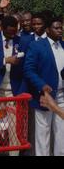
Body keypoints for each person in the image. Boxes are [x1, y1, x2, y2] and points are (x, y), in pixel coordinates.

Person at [24, 17, 64, 156]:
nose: (60, 30)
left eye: (61, 27)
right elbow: (29, 69)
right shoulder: (37, 46)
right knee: (43, 134)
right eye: (57, 28)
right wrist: (41, 85)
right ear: (47, 30)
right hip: (45, 97)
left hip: (62, 96)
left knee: (61, 133)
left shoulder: (63, 45)